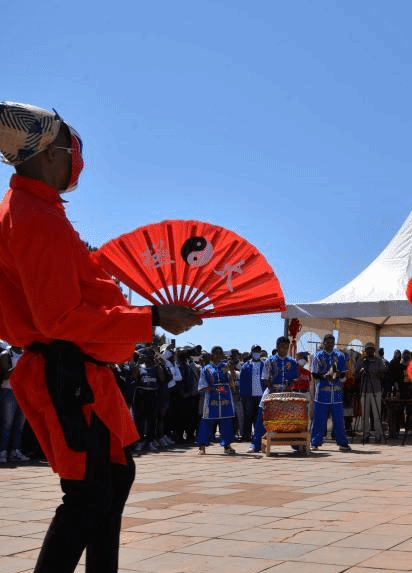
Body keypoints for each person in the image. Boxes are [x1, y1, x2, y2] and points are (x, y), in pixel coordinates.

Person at [0, 102, 201, 572]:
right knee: (88, 498)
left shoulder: (35, 209)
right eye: (71, 147)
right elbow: (59, 318)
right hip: (66, 375)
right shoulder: (34, 217)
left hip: (83, 374)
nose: (77, 159)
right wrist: (149, 318)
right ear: (48, 154)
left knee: (113, 479)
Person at [248, 336, 299, 453]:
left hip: (286, 393)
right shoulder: (269, 361)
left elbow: (294, 379)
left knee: (292, 418)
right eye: (282, 347)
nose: (284, 349)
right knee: (262, 418)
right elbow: (265, 379)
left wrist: (288, 386)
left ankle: (296, 444)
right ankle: (255, 444)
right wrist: (273, 390)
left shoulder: (292, 362)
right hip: (271, 392)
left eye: (287, 347)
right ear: (277, 347)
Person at [310, 334, 351, 451]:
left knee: (338, 419)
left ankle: (342, 443)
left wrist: (338, 374)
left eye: (332, 342)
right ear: (323, 343)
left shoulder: (340, 355)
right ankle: (315, 442)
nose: (330, 344)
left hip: (336, 392)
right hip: (322, 392)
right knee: (319, 418)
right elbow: (314, 373)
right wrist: (325, 376)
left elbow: (344, 373)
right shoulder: (317, 356)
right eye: (328, 342)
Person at [196, 346, 237, 455]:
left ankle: (227, 445)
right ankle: (202, 445)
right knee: (206, 421)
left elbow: (232, 381)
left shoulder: (225, 366)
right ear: (212, 355)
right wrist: (218, 389)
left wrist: (232, 369)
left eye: (220, 353)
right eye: (216, 353)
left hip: (225, 399)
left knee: (226, 421)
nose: (218, 355)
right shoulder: (206, 368)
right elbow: (203, 386)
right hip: (211, 399)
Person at [1, 344, 28, 463]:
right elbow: (5, 375)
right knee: (7, 424)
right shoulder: (6, 354)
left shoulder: (25, 354)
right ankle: (2, 451)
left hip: (23, 393)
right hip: (9, 391)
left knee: (19, 426)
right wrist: (21, 365)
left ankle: (14, 451)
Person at [357, 342, 387, 442]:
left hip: (376, 390)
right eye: (367, 349)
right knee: (365, 415)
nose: (369, 350)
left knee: (376, 414)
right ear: (365, 350)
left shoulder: (378, 361)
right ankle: (365, 435)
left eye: (371, 349)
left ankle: (378, 435)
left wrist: (375, 372)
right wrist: (360, 371)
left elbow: (384, 373)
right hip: (364, 390)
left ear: (374, 350)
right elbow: (355, 373)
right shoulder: (361, 360)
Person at [237, 345, 266, 442]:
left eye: (258, 351)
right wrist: (241, 395)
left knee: (259, 417)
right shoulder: (246, 366)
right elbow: (242, 381)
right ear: (251, 352)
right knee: (248, 416)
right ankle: (246, 435)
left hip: (261, 396)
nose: (256, 353)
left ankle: (259, 435)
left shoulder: (264, 365)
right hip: (249, 396)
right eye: (255, 351)